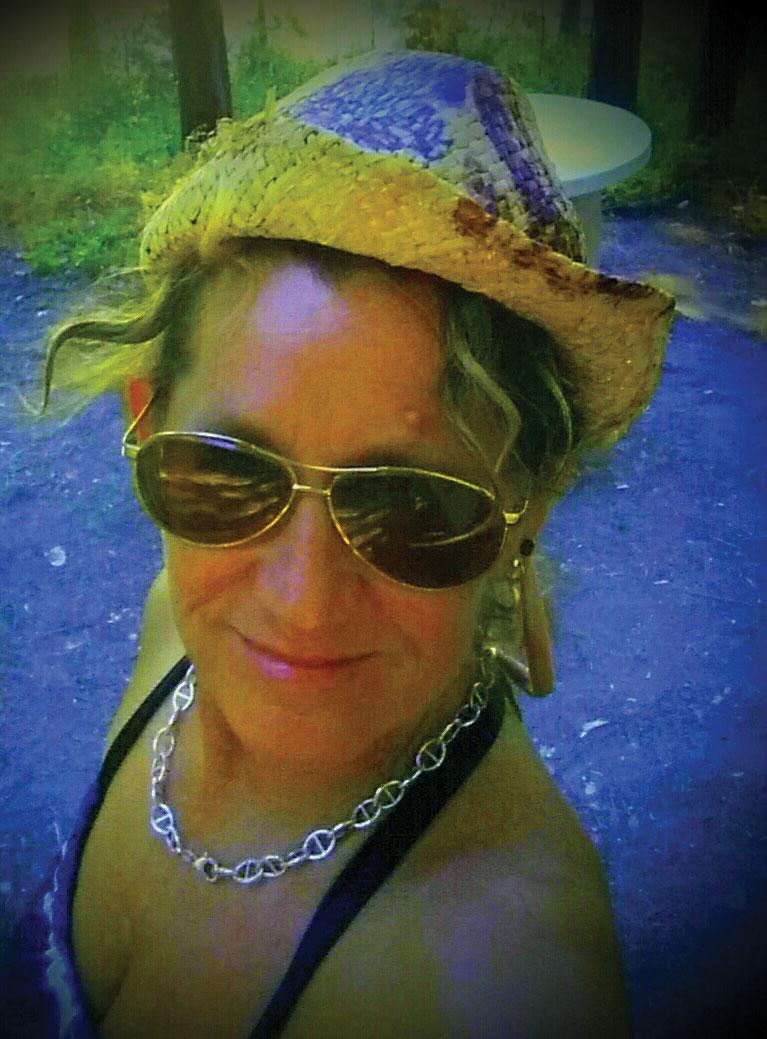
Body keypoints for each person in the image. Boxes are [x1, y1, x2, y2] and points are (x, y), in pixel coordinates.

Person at [5, 50, 673, 1038]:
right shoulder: (174, 629)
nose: (300, 599)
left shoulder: (504, 987)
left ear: (524, 511)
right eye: (230, 475)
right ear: (145, 422)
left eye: (412, 508)